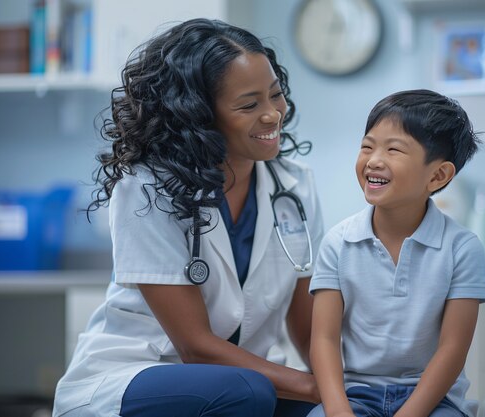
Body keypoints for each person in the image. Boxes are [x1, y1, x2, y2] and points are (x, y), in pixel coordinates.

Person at [52, 18, 324, 417]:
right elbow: (195, 347)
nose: (272, 115)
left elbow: (307, 325)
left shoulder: (295, 186)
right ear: (197, 114)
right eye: (249, 105)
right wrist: (317, 386)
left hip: (248, 378)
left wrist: (344, 384)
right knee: (247, 392)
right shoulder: (147, 189)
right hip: (141, 374)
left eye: (275, 94)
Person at [307, 89, 485, 417]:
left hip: (433, 400)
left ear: (437, 175)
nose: (374, 160)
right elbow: (323, 339)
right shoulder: (338, 243)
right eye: (367, 146)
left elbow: (452, 350)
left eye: (393, 149)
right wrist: (337, 411)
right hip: (357, 395)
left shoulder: (463, 249)